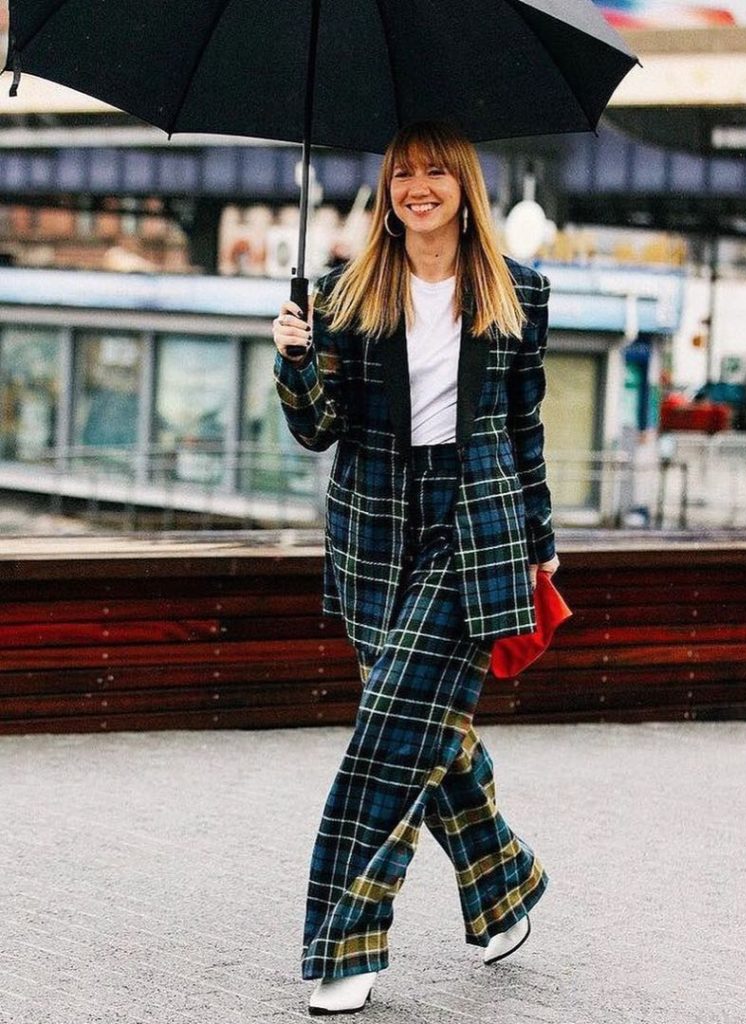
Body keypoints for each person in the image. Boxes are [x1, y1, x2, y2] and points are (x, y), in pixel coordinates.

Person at [272, 119, 559, 1016]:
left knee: (390, 733)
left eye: (436, 172)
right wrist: (295, 359)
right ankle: (505, 883)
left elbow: (524, 426)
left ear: (464, 185)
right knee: (427, 729)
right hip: (374, 528)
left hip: (477, 525)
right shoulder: (343, 293)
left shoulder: (519, 290)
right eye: (403, 173)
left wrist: (542, 536)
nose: (417, 187)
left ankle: (345, 944)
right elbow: (318, 428)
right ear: (388, 191)